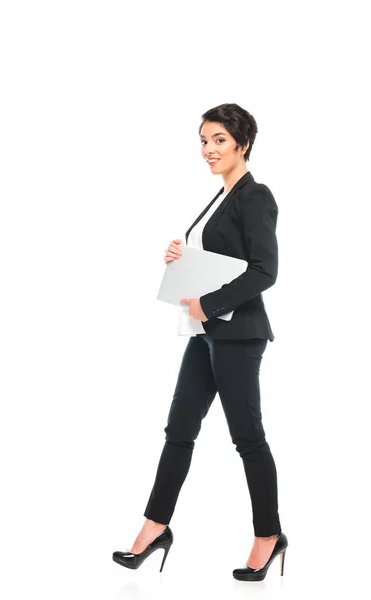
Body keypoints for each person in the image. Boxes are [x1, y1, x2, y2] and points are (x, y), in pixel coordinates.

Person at [112, 103, 288, 581]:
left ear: (243, 144)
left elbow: (264, 271)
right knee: (178, 430)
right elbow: (225, 263)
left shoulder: (256, 196)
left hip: (239, 335)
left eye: (219, 141)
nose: (209, 149)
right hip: (206, 334)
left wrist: (206, 304)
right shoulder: (221, 197)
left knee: (247, 438)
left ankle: (269, 537)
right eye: (204, 141)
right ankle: (154, 527)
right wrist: (182, 257)